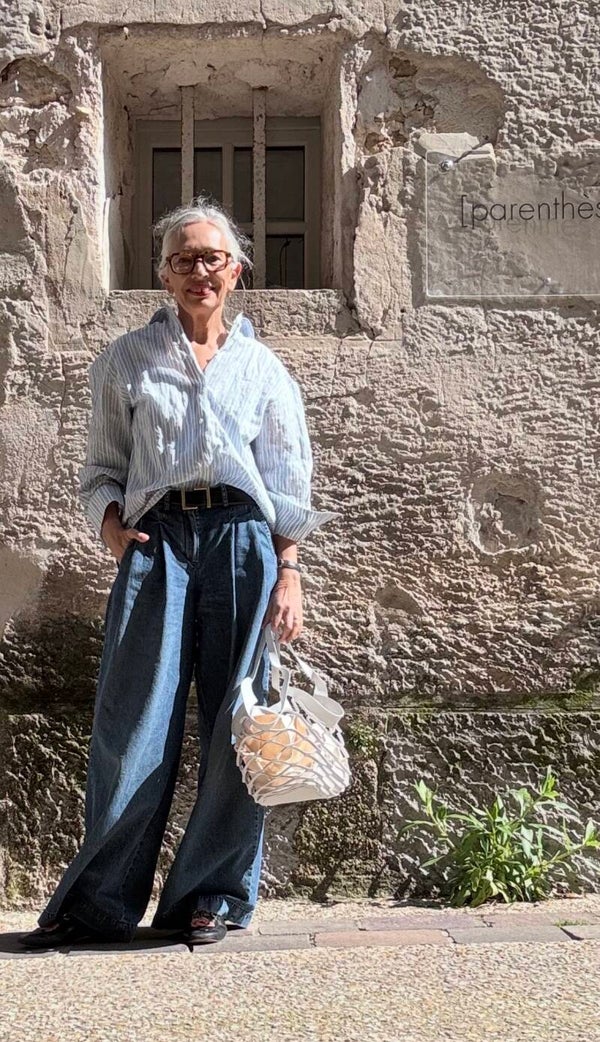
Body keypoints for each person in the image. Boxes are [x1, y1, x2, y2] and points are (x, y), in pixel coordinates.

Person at [20, 197, 335, 949]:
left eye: (212, 258)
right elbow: (102, 466)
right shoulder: (125, 360)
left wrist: (289, 569)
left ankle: (210, 897)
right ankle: (98, 903)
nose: (199, 271)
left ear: (238, 270)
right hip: (157, 541)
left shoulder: (262, 369)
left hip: (242, 541)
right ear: (163, 273)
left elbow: (287, 479)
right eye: (183, 259)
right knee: (132, 723)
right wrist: (111, 527)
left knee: (238, 720)